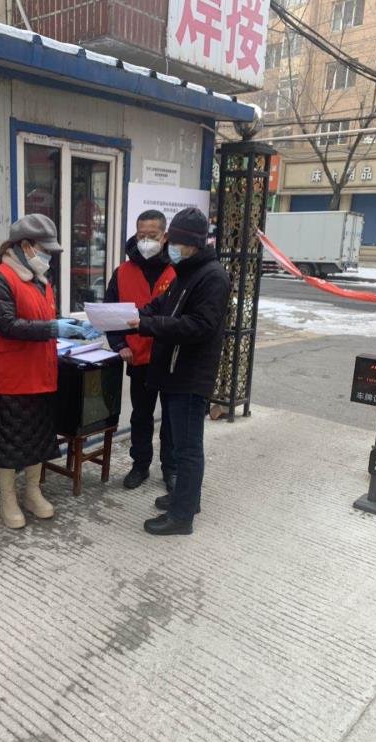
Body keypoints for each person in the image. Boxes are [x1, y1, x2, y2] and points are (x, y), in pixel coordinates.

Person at [0, 213, 97, 529]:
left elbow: (41, 318)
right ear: (25, 245)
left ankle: (32, 491)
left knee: (38, 440)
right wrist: (54, 328)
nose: (48, 257)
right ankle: (7, 499)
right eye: (44, 250)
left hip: (41, 376)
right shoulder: (1, 279)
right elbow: (7, 325)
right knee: (7, 444)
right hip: (8, 379)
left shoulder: (40, 281)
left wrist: (65, 324)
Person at [126, 207, 230, 536]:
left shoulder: (212, 277)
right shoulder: (186, 271)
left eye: (175, 242)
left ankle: (182, 516)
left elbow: (199, 326)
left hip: (189, 375)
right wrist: (134, 315)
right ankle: (186, 498)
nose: (169, 246)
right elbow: (162, 305)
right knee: (182, 444)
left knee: (187, 448)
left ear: (192, 243)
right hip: (173, 371)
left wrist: (148, 325)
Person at [104, 210, 177, 492]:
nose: (146, 241)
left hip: (171, 358)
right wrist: (119, 344)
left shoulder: (178, 270)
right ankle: (140, 464)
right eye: (141, 235)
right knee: (141, 416)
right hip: (138, 357)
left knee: (171, 417)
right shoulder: (123, 272)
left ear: (164, 236)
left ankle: (171, 468)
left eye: (152, 236)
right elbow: (109, 313)